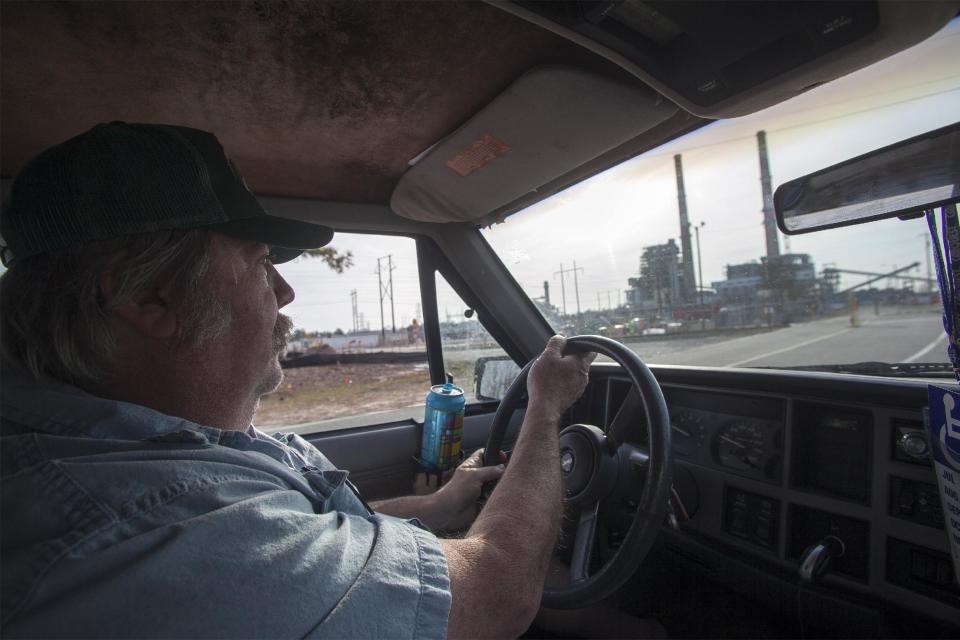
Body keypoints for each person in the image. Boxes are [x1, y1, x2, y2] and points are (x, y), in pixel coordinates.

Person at [0, 122, 596, 638]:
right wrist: (545, 409)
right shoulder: (162, 533)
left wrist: (439, 504)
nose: (284, 292)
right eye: (258, 262)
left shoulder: (150, 454)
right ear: (148, 295)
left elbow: (302, 530)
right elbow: (497, 593)